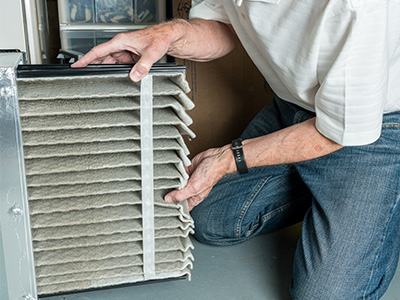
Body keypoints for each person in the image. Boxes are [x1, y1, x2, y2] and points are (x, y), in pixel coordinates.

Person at [72, 0, 400, 298]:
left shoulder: (360, 7)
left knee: (325, 296)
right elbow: (226, 27)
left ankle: (383, 199)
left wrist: (227, 159)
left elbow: (336, 132)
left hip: (369, 130)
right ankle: (320, 188)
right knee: (210, 219)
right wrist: (170, 34)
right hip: (292, 109)